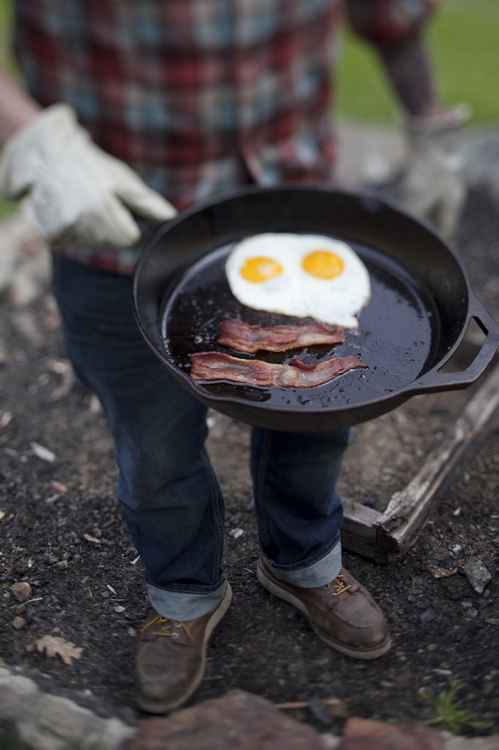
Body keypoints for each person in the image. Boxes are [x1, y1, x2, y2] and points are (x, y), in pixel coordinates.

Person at [0, 0, 466, 714]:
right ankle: (182, 595)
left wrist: (427, 125)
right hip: (117, 215)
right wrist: (29, 137)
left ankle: (305, 561)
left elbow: (391, 13)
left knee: (317, 417)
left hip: (294, 206)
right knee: (153, 448)